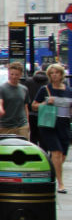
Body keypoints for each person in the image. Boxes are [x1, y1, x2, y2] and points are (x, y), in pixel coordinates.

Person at [31, 62, 72, 193]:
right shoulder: (45, 89)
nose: (54, 75)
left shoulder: (68, 90)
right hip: (49, 125)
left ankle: (49, 173)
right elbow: (34, 106)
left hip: (64, 124)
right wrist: (45, 103)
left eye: (57, 73)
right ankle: (60, 184)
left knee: (62, 155)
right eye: (52, 73)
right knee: (57, 152)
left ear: (61, 75)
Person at [0, 61, 30, 141]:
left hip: (21, 125)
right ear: (8, 73)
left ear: (20, 75)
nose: (13, 77)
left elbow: (25, 107)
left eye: (16, 74)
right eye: (11, 74)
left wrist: (27, 123)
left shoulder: (24, 89)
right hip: (6, 125)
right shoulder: (2, 88)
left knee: (23, 148)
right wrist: (0, 109)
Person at [25, 67, 49, 139]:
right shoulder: (48, 82)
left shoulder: (28, 82)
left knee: (33, 135)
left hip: (31, 113)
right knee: (44, 136)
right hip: (45, 113)